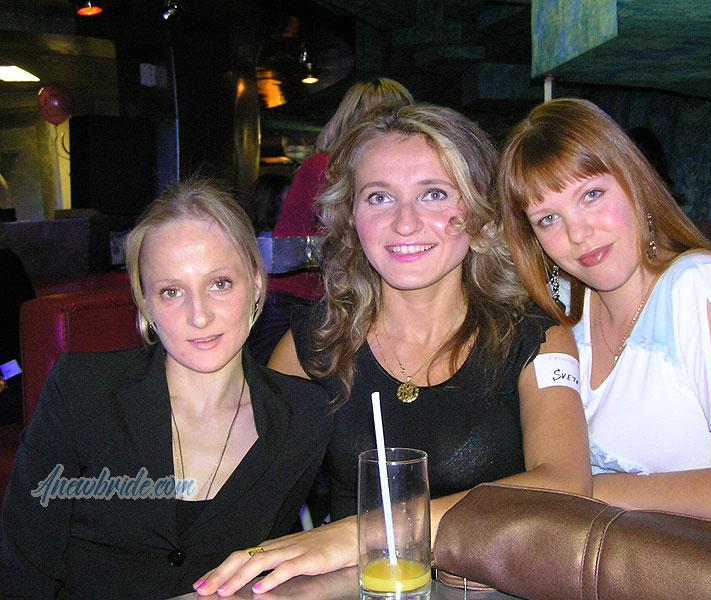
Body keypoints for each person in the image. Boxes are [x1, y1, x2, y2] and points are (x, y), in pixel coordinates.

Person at [197, 103, 592, 596]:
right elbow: (247, 496)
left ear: (478, 213)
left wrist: (365, 533)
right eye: (379, 197)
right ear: (352, 218)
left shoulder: (536, 336)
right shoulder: (313, 344)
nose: (405, 224)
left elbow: (567, 484)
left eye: (434, 194)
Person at [0, 180, 332, 598]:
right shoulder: (82, 391)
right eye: (172, 292)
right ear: (146, 304)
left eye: (220, 283)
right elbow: (22, 567)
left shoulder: (304, 415)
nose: (200, 316)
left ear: (256, 284)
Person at [496, 97, 711, 533]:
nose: (578, 233)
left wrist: (585, 491)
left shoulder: (697, 288)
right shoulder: (562, 311)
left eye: (591, 195)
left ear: (634, 182)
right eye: (548, 219)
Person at [248, 78, 415, 364]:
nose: (392, 126)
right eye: (382, 117)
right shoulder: (327, 167)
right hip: (298, 303)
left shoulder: (369, 172)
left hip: (329, 301)